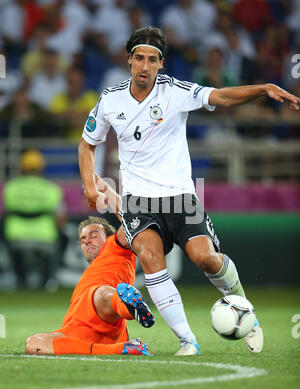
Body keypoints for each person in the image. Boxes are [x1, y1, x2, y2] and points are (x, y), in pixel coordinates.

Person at [78, 26, 300, 356]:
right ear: (129, 61)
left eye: (152, 60)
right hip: (137, 201)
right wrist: (89, 185)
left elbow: (222, 96)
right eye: (139, 58)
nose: (145, 66)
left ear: (161, 63)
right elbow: (87, 144)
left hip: (183, 196)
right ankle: (187, 341)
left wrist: (263, 89)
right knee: (152, 260)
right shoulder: (110, 100)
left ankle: (245, 310)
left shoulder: (175, 92)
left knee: (205, 258)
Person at [25, 216, 153, 356]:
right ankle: (124, 347)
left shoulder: (115, 247)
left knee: (101, 293)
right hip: (77, 332)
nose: (87, 241)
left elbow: (131, 223)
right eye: (82, 239)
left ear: (108, 238)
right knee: (33, 343)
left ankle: (127, 307)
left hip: (104, 315)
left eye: (93, 235)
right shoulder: (89, 274)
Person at [2, 149, 66, 289]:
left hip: (15, 236)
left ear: (21, 167)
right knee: (63, 237)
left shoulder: (10, 187)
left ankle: (19, 280)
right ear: (42, 168)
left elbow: (6, 214)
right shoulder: (51, 189)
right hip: (45, 237)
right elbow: (60, 220)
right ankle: (49, 280)